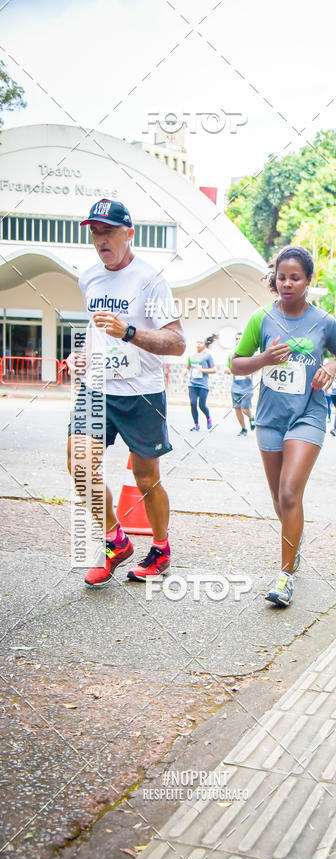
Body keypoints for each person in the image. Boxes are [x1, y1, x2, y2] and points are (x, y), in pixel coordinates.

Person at [67, 198, 185, 588]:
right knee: (80, 466)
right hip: (98, 386)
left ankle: (161, 547)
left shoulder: (149, 280)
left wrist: (129, 332)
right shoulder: (89, 278)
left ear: (128, 233)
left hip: (142, 392)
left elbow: (177, 342)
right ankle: (116, 540)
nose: (100, 239)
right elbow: (98, 331)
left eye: (108, 231)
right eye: (95, 232)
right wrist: (81, 354)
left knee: (146, 475)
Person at [231, 245, 336, 608]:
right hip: (269, 416)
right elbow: (236, 364)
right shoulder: (261, 319)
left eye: (295, 278)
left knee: (289, 493)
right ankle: (294, 541)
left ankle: (284, 576)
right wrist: (263, 359)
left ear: (308, 281)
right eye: (281, 277)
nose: (287, 283)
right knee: (278, 499)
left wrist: (331, 368)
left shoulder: (324, 322)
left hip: (309, 414)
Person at [226, 331, 255, 435]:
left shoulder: (249, 353)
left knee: (245, 409)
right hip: (235, 387)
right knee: (237, 409)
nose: (238, 341)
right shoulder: (231, 355)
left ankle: (251, 417)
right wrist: (228, 371)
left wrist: (248, 372)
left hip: (247, 387)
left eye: (240, 339)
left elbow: (255, 369)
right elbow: (229, 368)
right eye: (236, 339)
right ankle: (243, 429)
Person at [187, 338, 216, 430]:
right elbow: (188, 367)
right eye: (197, 342)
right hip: (192, 384)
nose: (199, 344)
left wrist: (202, 370)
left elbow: (213, 370)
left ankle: (208, 418)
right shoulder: (191, 356)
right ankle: (196, 425)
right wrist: (185, 371)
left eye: (201, 342)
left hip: (203, 385)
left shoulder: (208, 356)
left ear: (204, 345)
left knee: (202, 405)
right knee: (193, 403)